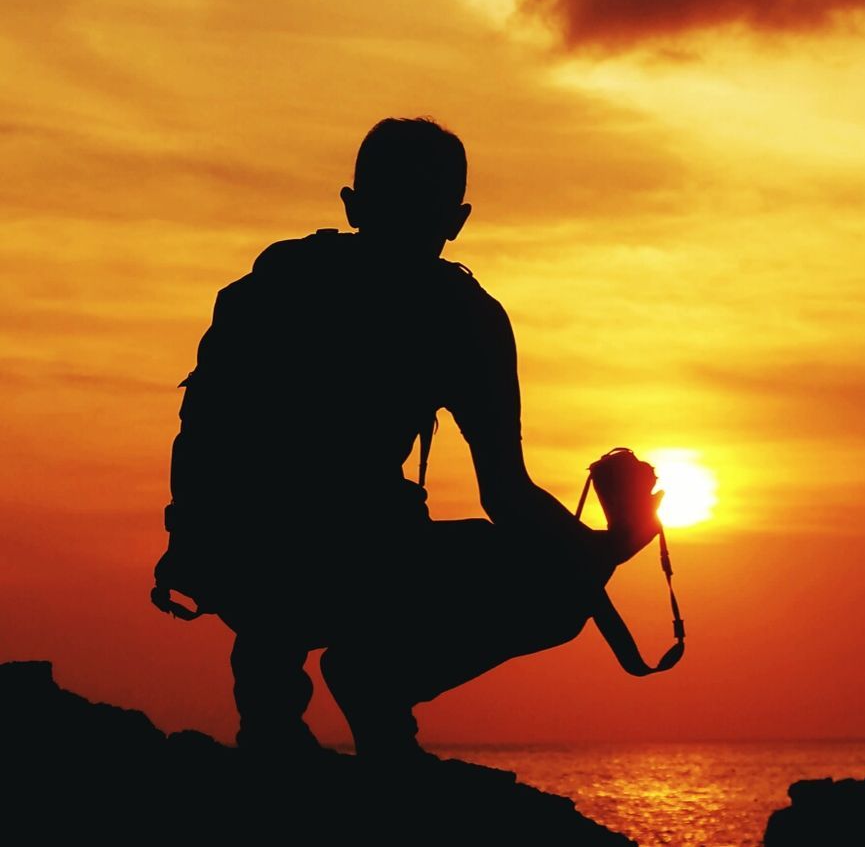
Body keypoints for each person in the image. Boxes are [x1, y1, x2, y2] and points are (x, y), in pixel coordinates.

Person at [157, 117, 662, 762]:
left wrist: (189, 544)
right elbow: (506, 495)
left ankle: (273, 720)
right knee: (558, 588)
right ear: (458, 219)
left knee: (299, 524)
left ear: (352, 204)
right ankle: (371, 688)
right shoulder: (462, 316)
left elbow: (209, 443)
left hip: (234, 557)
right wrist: (608, 548)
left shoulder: (280, 283)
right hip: (319, 557)